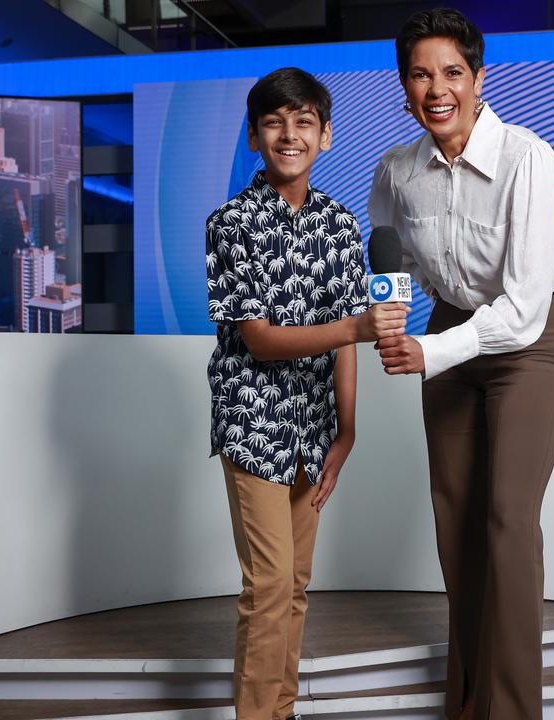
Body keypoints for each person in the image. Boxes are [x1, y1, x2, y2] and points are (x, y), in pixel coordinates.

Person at [367, 9, 554, 720]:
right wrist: (392, 314)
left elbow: (521, 308)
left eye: (452, 72)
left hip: (529, 342)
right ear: (404, 87)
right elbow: (387, 254)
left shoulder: (528, 157)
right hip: (448, 332)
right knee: (456, 526)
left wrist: (430, 350)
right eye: (421, 74)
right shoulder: (397, 170)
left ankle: (512, 711)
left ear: (479, 79)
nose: (437, 88)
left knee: (507, 520)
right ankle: (467, 702)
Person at [206, 67, 409, 720]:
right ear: (253, 136)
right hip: (252, 424)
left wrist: (347, 433)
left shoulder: (343, 227)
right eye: (273, 122)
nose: (288, 134)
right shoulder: (231, 224)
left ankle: (280, 710)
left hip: (315, 428)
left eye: (303, 122)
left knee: (294, 587)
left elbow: (347, 344)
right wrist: (353, 325)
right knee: (266, 585)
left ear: (325, 136)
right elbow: (260, 339)